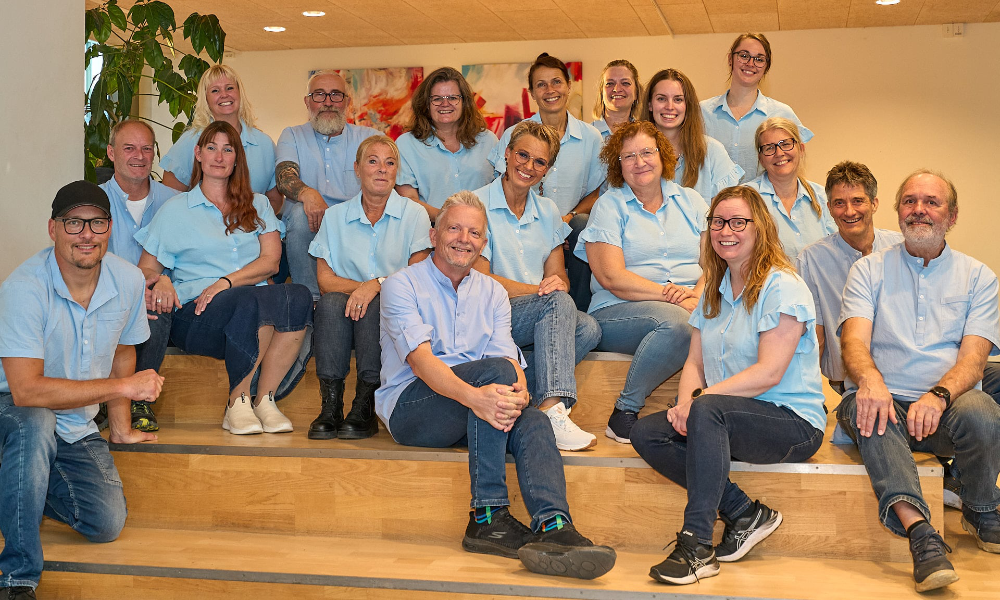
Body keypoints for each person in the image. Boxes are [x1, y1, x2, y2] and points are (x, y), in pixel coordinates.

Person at [377, 191, 616, 580]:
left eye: (474, 232)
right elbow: (421, 363)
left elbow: (508, 359)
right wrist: (480, 396)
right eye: (453, 228)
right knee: (497, 378)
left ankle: (555, 527)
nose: (463, 238)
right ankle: (487, 515)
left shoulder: (490, 291)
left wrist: (519, 392)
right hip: (413, 409)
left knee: (535, 420)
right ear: (434, 235)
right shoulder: (402, 285)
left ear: (484, 243)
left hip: (472, 409)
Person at [631, 185, 826, 585]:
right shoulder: (714, 292)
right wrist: (685, 404)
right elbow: (694, 363)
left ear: (760, 228)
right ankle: (743, 511)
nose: (726, 230)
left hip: (792, 424)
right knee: (647, 432)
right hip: (724, 416)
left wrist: (699, 402)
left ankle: (698, 545)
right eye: (718, 222)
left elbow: (769, 373)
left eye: (739, 222)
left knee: (707, 407)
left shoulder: (782, 286)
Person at [836, 170, 1000, 592]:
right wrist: (870, 380)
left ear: (953, 215)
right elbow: (853, 340)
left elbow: (975, 359)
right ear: (897, 211)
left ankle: (980, 507)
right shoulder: (868, 271)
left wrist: (939, 395)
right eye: (909, 201)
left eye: (931, 202)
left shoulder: (979, 276)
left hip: (946, 411)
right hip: (884, 404)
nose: (919, 210)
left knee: (982, 409)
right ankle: (921, 535)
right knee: (868, 409)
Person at [0, 181, 162, 600]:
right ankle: (18, 578)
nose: (86, 234)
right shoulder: (24, 288)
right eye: (74, 222)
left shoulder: (127, 280)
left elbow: (125, 350)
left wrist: (121, 427)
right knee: (36, 423)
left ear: (110, 229)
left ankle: (15, 480)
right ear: (53, 229)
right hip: (13, 410)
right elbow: (26, 393)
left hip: (75, 419)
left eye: (97, 222)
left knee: (105, 522)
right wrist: (123, 387)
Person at [136, 121, 313, 435]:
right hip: (197, 317)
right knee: (247, 299)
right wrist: (161, 280)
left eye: (228, 149)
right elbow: (145, 269)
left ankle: (265, 400)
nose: (219, 156)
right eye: (211, 148)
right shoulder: (176, 210)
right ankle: (237, 401)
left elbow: (271, 262)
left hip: (249, 307)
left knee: (298, 295)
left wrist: (225, 281)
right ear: (198, 154)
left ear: (236, 158)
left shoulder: (257, 204)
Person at [574, 121, 707, 444]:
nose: (639, 162)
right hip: (619, 311)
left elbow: (714, 265)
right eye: (628, 156)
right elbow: (611, 277)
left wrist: (697, 296)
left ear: (663, 155)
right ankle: (624, 413)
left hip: (689, 304)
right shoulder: (609, 206)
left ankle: (695, 416)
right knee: (681, 326)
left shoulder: (692, 201)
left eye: (647, 152)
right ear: (619, 165)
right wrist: (674, 297)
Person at [473, 121, 601, 451]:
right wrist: (543, 292)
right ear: (506, 153)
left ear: (548, 169)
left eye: (540, 162)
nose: (529, 166)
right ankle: (553, 409)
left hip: (532, 315)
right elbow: (480, 280)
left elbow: (559, 277)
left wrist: (554, 287)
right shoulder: (475, 205)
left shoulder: (548, 211)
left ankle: (523, 391)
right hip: (485, 316)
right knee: (558, 304)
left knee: (588, 328)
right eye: (522, 155)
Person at [308, 135, 431, 440]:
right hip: (343, 306)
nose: (381, 169)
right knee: (329, 303)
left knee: (376, 303)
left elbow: (417, 275)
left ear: (396, 171)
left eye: (389, 163)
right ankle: (331, 405)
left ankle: (366, 402)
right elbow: (325, 282)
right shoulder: (335, 217)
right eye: (372, 161)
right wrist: (366, 287)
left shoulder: (415, 215)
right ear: (357, 168)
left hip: (396, 308)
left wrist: (376, 286)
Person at [490, 53, 604, 312]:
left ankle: (578, 310)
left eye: (556, 82)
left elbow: (597, 191)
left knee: (581, 227)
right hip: (526, 221)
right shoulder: (515, 134)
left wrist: (566, 220)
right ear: (531, 92)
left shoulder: (591, 138)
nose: (550, 90)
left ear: (568, 86)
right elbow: (504, 183)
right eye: (541, 84)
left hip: (570, 225)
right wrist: (545, 226)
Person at [795, 161, 902, 395]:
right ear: (829, 208)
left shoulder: (902, 249)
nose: (849, 211)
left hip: (901, 380)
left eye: (858, 201)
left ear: (874, 203)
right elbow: (815, 337)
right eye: (839, 203)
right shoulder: (811, 260)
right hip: (842, 388)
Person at [100, 119, 177, 432]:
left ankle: (138, 400)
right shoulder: (94, 201)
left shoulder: (174, 202)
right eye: (129, 148)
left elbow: (191, 258)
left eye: (147, 148)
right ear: (111, 153)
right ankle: (105, 398)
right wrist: (131, 289)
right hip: (107, 296)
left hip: (160, 299)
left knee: (155, 307)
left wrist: (168, 279)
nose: (139, 155)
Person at [275, 69, 381, 300]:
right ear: (307, 101)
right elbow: (285, 176)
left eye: (335, 95)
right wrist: (307, 193)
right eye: (319, 95)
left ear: (347, 102)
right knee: (300, 214)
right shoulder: (292, 135)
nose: (328, 102)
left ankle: (366, 292)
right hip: (312, 218)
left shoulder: (369, 138)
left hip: (356, 218)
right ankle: (310, 300)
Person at [159, 65, 283, 215]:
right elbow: (170, 197)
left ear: (240, 93)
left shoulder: (264, 144)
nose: (224, 95)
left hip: (251, 230)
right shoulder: (190, 141)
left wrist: (248, 226)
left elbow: (274, 200)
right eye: (215, 90)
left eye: (229, 88)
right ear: (206, 99)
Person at [701, 32, 814, 183]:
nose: (750, 63)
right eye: (744, 55)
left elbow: (793, 167)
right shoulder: (701, 112)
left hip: (763, 205)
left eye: (759, 59)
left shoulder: (782, 113)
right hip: (713, 205)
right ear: (730, 59)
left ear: (766, 67)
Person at [395, 67, 498, 222]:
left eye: (452, 97)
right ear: (426, 104)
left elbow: (501, 191)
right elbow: (408, 200)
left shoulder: (488, 140)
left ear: (464, 101)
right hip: (430, 234)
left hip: (484, 234)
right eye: (437, 98)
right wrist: (449, 220)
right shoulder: (406, 144)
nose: (445, 104)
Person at [642, 69, 743, 201]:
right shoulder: (634, 155)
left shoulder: (712, 152)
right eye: (661, 99)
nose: (669, 106)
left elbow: (729, 212)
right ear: (650, 104)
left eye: (678, 99)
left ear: (687, 106)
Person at [744, 117, 835, 261]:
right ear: (761, 159)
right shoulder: (745, 199)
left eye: (786, 144)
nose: (779, 153)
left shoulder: (823, 197)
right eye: (769, 148)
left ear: (801, 149)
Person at [590, 59, 641, 139]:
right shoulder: (587, 134)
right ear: (601, 92)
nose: (617, 89)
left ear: (636, 93)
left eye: (625, 83)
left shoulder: (645, 134)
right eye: (610, 83)